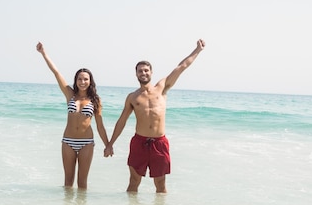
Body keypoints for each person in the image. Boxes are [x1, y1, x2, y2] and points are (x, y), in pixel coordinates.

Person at [104, 39, 206, 193]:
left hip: (159, 143)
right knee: (134, 182)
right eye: (140, 71)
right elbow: (122, 121)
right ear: (136, 74)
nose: (143, 73)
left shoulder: (162, 88)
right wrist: (110, 143)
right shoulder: (132, 97)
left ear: (151, 72)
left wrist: (197, 50)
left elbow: (182, 66)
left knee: (160, 184)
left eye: (146, 70)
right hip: (139, 143)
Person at [36, 42, 110, 189]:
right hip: (68, 141)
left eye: (85, 79)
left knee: (82, 184)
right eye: (80, 79)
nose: (82, 82)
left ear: (90, 81)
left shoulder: (96, 100)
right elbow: (56, 73)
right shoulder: (70, 94)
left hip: (86, 143)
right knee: (68, 183)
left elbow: (100, 125)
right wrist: (44, 54)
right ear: (76, 81)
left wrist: (108, 145)